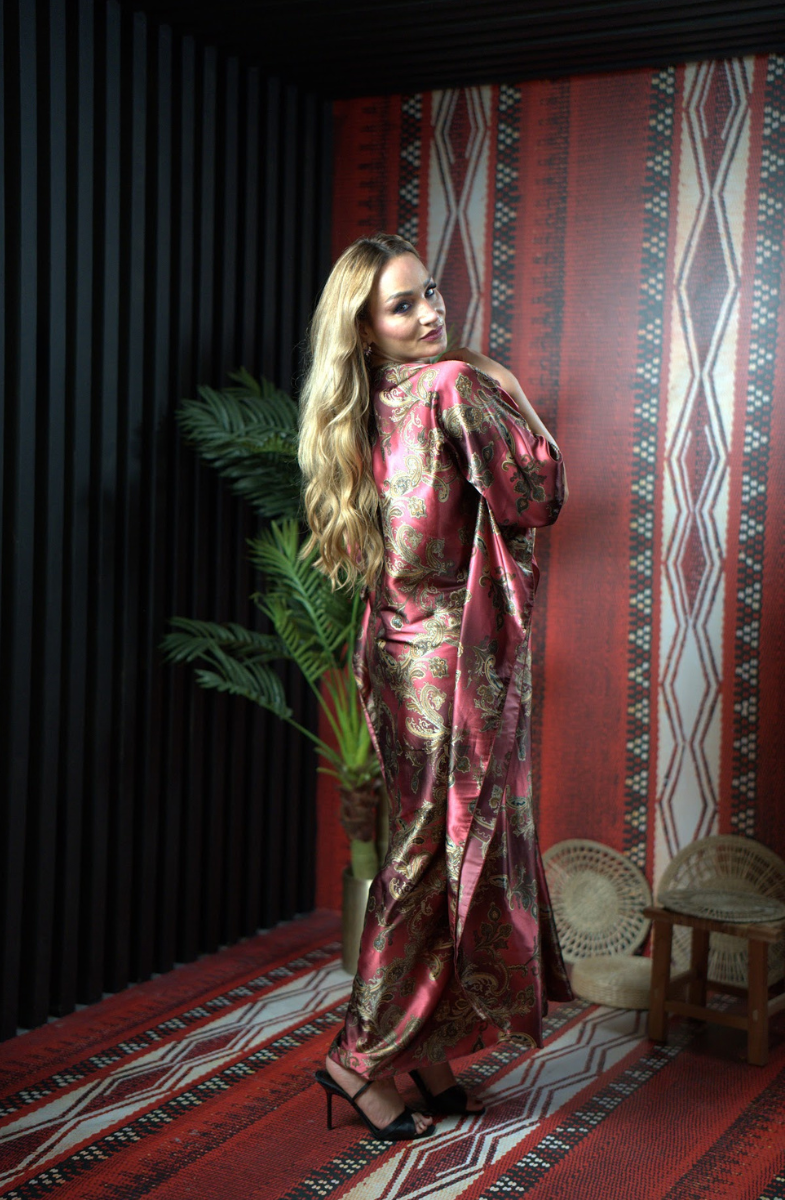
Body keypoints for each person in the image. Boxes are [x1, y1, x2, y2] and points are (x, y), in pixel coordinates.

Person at [298, 233, 572, 1141]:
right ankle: (360, 1057)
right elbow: (534, 497)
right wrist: (506, 398)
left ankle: (426, 1055)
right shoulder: (449, 388)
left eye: (431, 295)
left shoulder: (374, 404)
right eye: (403, 306)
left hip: (398, 648)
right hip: (445, 663)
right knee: (427, 854)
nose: (430, 315)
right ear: (364, 330)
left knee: (437, 850)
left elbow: (402, 552)